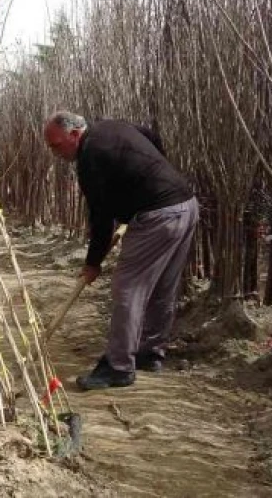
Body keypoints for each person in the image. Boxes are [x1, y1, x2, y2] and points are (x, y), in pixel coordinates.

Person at [42, 112, 198, 390]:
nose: (54, 153)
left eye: (56, 145)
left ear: (75, 135)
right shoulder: (113, 127)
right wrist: (146, 182)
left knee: (128, 288)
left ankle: (118, 367)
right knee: (163, 287)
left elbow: (100, 218)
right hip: (185, 204)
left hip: (158, 216)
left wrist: (93, 263)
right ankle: (150, 354)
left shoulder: (90, 156)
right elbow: (152, 137)